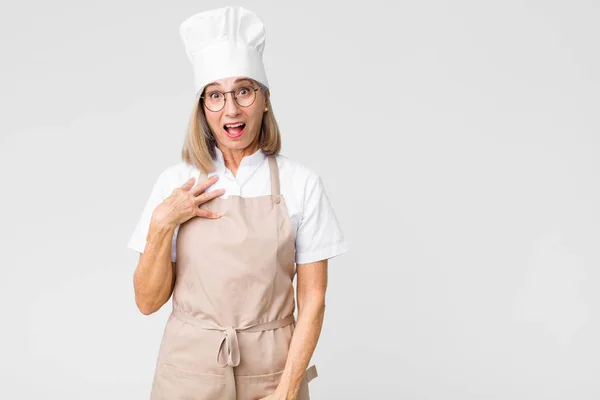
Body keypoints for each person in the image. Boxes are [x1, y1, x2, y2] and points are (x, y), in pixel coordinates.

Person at [127, 6, 349, 400]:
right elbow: (147, 302)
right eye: (215, 95)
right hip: (188, 372)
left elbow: (313, 300)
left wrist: (286, 389)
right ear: (203, 109)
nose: (231, 109)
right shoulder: (175, 182)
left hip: (274, 371)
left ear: (264, 100)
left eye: (244, 90)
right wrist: (164, 222)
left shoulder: (301, 184)